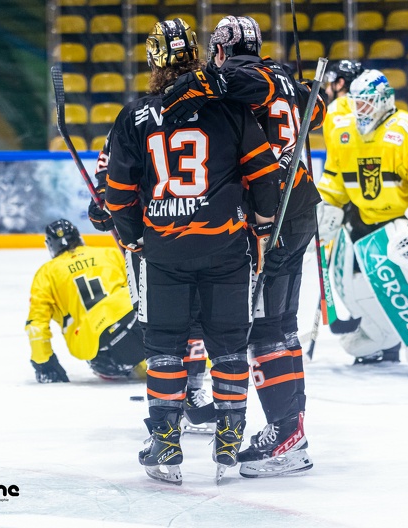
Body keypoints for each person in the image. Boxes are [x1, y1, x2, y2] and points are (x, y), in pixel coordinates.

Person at [104, 18, 281, 485]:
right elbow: (265, 175)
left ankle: (165, 444)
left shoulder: (135, 116)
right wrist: (263, 221)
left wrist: (132, 235)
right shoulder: (229, 108)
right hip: (225, 249)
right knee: (228, 348)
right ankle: (228, 444)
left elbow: (117, 193)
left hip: (163, 254)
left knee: (165, 347)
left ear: (153, 60)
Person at [161, 14, 326, 478]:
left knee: (262, 330)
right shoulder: (284, 78)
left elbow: (213, 83)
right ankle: (292, 426)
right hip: (300, 206)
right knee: (283, 326)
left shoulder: (246, 75)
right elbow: (318, 112)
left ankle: (286, 435)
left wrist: (170, 98)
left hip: (272, 216)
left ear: (221, 50)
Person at [317, 69, 408, 376]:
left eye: (367, 103)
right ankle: (382, 340)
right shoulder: (346, 131)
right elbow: (335, 180)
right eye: (356, 103)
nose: (359, 109)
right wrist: (324, 208)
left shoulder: (406, 129)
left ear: (383, 101)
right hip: (361, 219)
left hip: (398, 222)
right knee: (347, 282)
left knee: (393, 278)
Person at [88, 130, 214, 435]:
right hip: (147, 237)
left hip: (198, 231)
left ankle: (191, 392)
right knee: (159, 320)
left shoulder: (209, 113)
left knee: (196, 317)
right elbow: (108, 177)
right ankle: (171, 402)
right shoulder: (132, 122)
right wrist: (104, 202)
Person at [25, 219, 145, 383]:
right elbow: (142, 286)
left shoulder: (45, 274)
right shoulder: (109, 254)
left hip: (101, 351)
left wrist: (42, 360)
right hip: (136, 324)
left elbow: (36, 324)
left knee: (117, 358)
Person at [322, 59, 364, 145]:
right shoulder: (368, 105)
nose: (327, 90)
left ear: (340, 83)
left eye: (329, 84)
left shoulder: (334, 109)